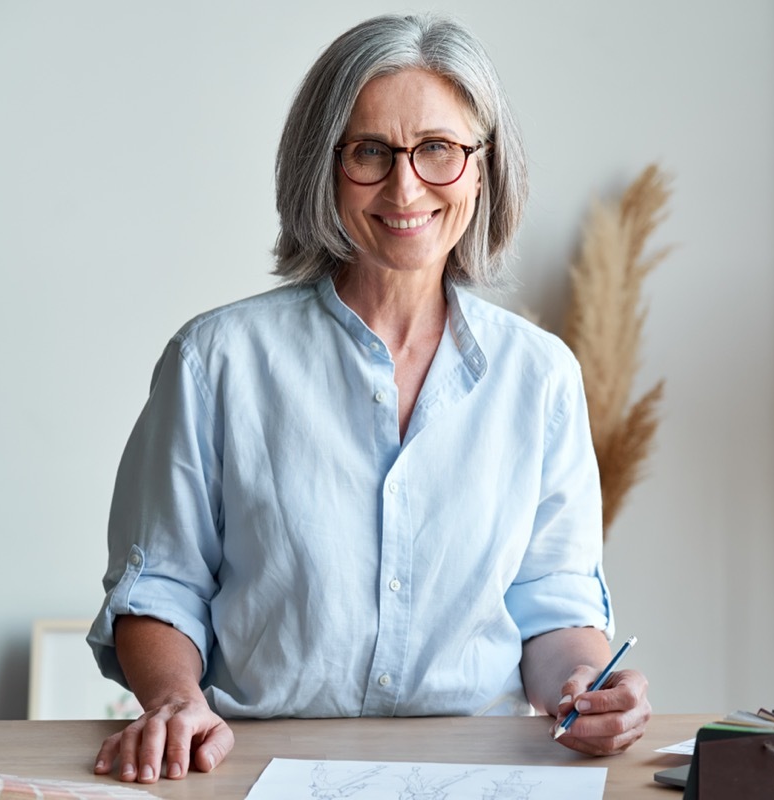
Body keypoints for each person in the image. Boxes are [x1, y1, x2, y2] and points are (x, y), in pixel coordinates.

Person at [87, 12, 651, 783]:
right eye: (369, 152)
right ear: (324, 166)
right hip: (254, 769)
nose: (405, 184)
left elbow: (552, 605)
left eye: (438, 150)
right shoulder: (215, 360)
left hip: (480, 775)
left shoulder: (540, 375)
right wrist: (175, 699)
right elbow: (161, 586)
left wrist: (585, 686)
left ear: (481, 169)